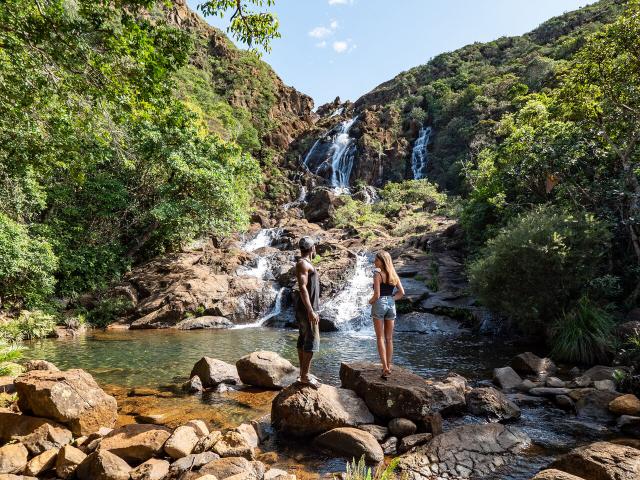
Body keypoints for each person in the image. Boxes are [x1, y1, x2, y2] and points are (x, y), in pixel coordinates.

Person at [369, 250, 404, 379]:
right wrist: (391, 299)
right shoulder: (393, 273)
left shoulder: (377, 273)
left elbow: (377, 294)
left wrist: (370, 301)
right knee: (389, 338)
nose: (374, 262)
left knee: (379, 338)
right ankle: (389, 365)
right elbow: (402, 293)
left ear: (383, 262)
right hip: (391, 304)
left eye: (376, 260)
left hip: (379, 303)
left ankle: (384, 367)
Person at [295, 236, 321, 388]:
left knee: (304, 339)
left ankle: (303, 373)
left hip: (304, 308)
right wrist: (311, 310)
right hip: (307, 309)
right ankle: (304, 375)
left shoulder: (304, 263)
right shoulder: (303, 264)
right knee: (312, 340)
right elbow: (302, 287)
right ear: (312, 249)